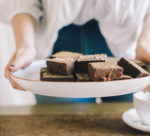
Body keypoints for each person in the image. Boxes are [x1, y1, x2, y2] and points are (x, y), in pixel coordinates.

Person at [1, 0, 150, 103]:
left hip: (126, 43)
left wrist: (145, 43)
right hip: (57, 39)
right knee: (62, 134)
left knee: (127, 131)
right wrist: (26, 46)